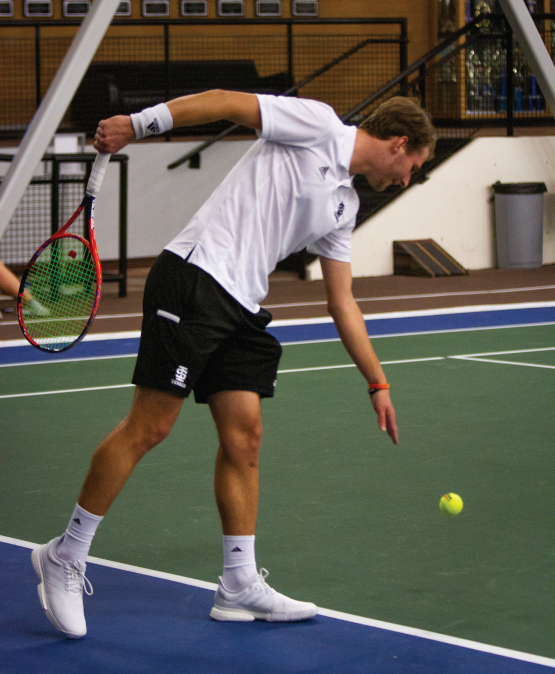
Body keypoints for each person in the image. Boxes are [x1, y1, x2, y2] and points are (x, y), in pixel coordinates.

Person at [31, 90, 436, 639]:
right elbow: (225, 102)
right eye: (414, 167)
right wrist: (138, 124)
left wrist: (377, 380)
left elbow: (342, 301)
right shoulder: (317, 124)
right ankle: (65, 555)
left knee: (244, 439)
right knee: (150, 426)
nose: (408, 179)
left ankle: (238, 584)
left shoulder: (346, 206)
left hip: (242, 304)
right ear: (399, 143)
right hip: (195, 278)